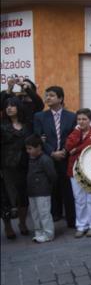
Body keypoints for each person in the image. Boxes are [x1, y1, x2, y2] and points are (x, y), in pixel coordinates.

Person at [33, 86, 77, 228]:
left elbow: (72, 136)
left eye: (51, 95)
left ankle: (72, 219)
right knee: (52, 188)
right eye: (46, 95)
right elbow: (39, 137)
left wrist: (64, 151)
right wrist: (52, 152)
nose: (48, 98)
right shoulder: (40, 116)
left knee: (68, 189)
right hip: (48, 158)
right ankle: (55, 214)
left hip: (66, 157)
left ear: (60, 98)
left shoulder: (71, 116)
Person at [65, 108, 91, 238]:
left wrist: (76, 149)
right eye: (79, 119)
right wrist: (76, 131)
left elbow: (89, 147)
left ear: (90, 120)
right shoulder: (75, 132)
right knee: (79, 199)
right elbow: (68, 146)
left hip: (90, 170)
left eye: (84, 119)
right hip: (74, 170)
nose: (81, 122)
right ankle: (81, 225)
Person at [1, 97, 32, 237]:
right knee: (5, 198)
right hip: (6, 166)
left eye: (13, 105)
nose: (9, 108)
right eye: (7, 106)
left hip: (24, 165)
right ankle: (8, 227)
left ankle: (23, 223)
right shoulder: (2, 126)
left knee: (23, 196)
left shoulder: (27, 126)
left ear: (19, 108)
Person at [25, 134, 57, 243]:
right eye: (27, 148)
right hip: (32, 191)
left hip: (43, 191)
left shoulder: (45, 160)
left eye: (30, 148)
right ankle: (39, 232)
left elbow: (52, 175)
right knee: (35, 214)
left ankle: (48, 234)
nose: (28, 151)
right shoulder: (30, 159)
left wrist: (48, 186)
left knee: (44, 213)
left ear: (38, 147)